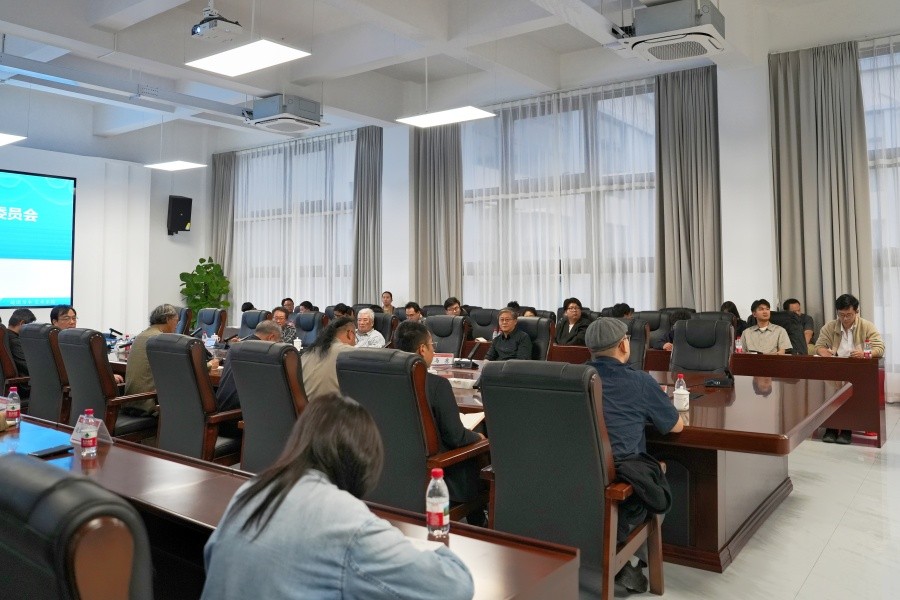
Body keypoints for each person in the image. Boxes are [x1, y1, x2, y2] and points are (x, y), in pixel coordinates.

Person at [201, 394, 474, 600]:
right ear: (364, 459)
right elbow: (454, 586)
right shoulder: (345, 520)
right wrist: (437, 545)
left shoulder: (252, 491)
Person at [585, 318, 684, 593]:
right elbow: (675, 426)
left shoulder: (573, 377)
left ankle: (621, 558)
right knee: (654, 480)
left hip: (575, 478)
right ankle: (625, 558)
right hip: (617, 484)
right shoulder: (639, 381)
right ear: (623, 345)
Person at [394, 321, 486, 525]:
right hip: (437, 475)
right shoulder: (437, 385)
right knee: (482, 446)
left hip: (394, 472)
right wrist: (479, 438)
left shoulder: (385, 380)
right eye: (432, 345)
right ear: (422, 349)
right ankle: (479, 524)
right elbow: (456, 437)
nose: (434, 350)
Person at [814, 293, 885, 445]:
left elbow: (879, 348)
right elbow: (818, 346)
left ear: (856, 312)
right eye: (841, 315)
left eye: (849, 315)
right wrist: (823, 352)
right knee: (829, 393)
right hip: (835, 369)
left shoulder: (866, 326)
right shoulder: (830, 326)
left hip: (858, 370)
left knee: (851, 393)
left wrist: (865, 353)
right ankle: (831, 428)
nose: (845, 319)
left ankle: (847, 429)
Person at [216, 320, 282, 416]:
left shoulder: (236, 347)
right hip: (236, 415)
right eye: (277, 342)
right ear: (271, 337)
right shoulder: (263, 353)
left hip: (221, 407)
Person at [124, 304, 182, 414]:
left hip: (130, 402)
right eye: (176, 321)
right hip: (148, 406)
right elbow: (181, 366)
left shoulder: (141, 335)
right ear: (168, 319)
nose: (177, 325)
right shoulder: (160, 339)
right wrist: (208, 365)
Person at [300, 317, 357, 402]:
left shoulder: (306, 353)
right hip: (334, 409)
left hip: (307, 409)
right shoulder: (350, 353)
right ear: (350, 334)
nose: (355, 342)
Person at [7, 308, 36, 377]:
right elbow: (29, 368)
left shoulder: (5, 337)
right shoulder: (15, 342)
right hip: (25, 381)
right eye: (30, 327)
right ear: (22, 324)